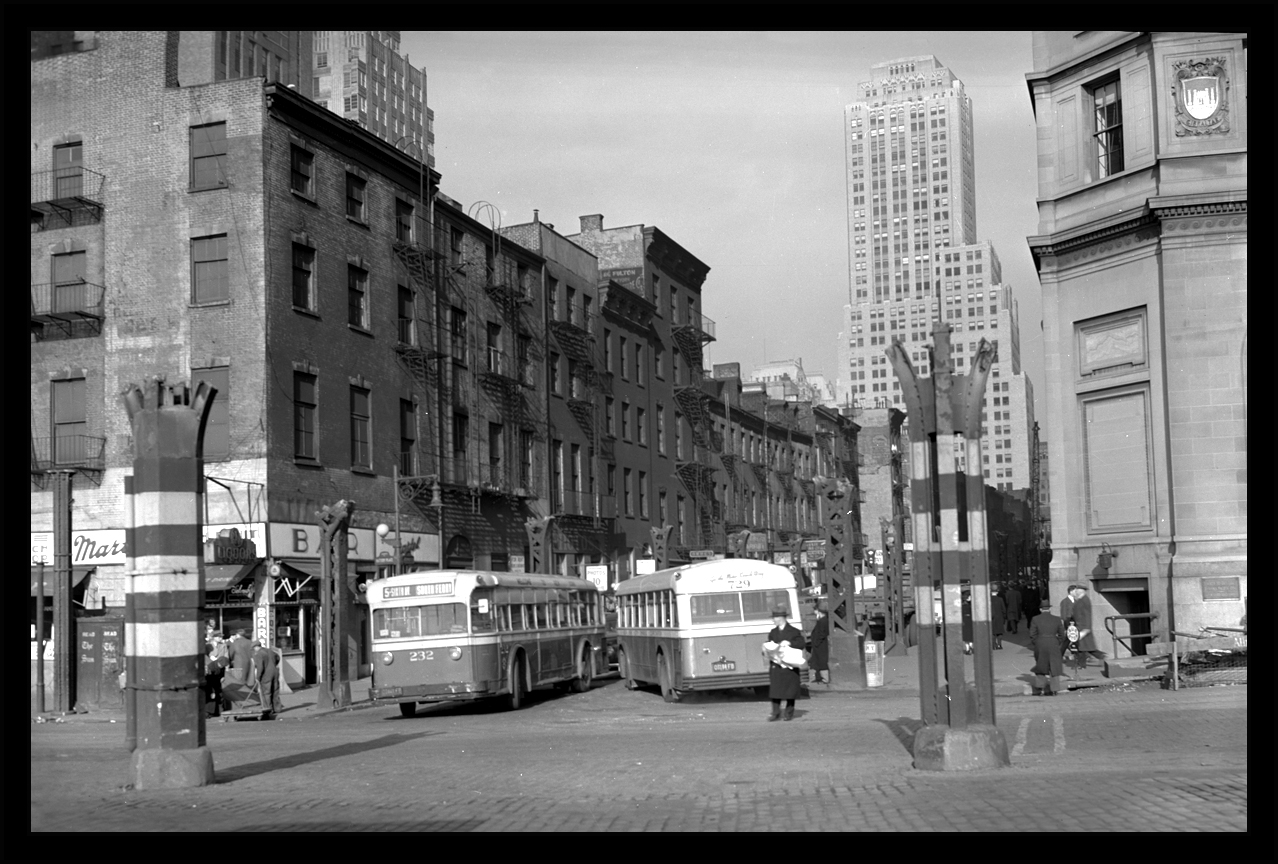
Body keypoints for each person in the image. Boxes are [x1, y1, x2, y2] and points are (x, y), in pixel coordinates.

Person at [764, 605, 805, 721]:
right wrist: (766, 647)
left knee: (790, 691)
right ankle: (775, 713)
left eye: (774, 618)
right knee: (775, 691)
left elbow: (801, 644)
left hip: (789, 666)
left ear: (780, 618)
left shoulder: (794, 631)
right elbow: (770, 643)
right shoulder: (773, 632)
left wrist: (790, 643)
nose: (773, 620)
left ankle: (788, 713)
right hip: (776, 665)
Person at [1029, 597, 1066, 696]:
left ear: (1040, 609)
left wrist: (1037, 642)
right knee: (1054, 666)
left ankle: (1040, 688)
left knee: (1041, 665)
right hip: (1053, 642)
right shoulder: (1057, 619)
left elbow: (1032, 634)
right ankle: (1054, 689)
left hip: (1040, 643)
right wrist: (1057, 641)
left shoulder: (1035, 619)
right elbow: (1062, 634)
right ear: (1049, 609)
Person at [1070, 584, 1104, 670]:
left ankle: (1100, 656)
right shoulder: (1081, 600)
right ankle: (1081, 664)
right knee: (1083, 647)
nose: (1076, 591)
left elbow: (1087, 615)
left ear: (1081, 591)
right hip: (1081, 626)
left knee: (1085, 647)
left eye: (1077, 590)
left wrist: (1086, 628)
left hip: (1084, 627)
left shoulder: (1085, 600)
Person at [251, 640, 280, 716]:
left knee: (266, 692)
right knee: (275, 691)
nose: (254, 649)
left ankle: (268, 709)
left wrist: (258, 677)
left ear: (256, 647)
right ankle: (277, 708)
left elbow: (260, 667)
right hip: (275, 673)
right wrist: (274, 664)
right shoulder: (270, 651)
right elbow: (278, 657)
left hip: (266, 675)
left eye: (254, 648)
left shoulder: (259, 654)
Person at [807, 604, 830, 685]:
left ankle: (824, 678)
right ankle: (817, 678)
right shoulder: (824, 620)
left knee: (820, 661)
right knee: (815, 661)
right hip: (819, 645)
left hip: (820, 646)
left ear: (819, 612)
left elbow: (821, 633)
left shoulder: (822, 621)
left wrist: (816, 642)